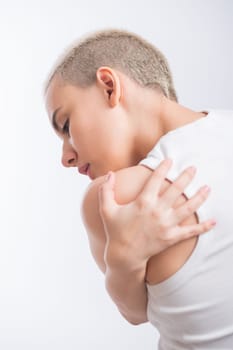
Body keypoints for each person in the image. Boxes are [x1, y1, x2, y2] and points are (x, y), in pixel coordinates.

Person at [44, 29, 233, 349]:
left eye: (65, 126)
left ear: (109, 86)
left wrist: (121, 262)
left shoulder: (112, 199)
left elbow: (135, 313)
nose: (66, 157)